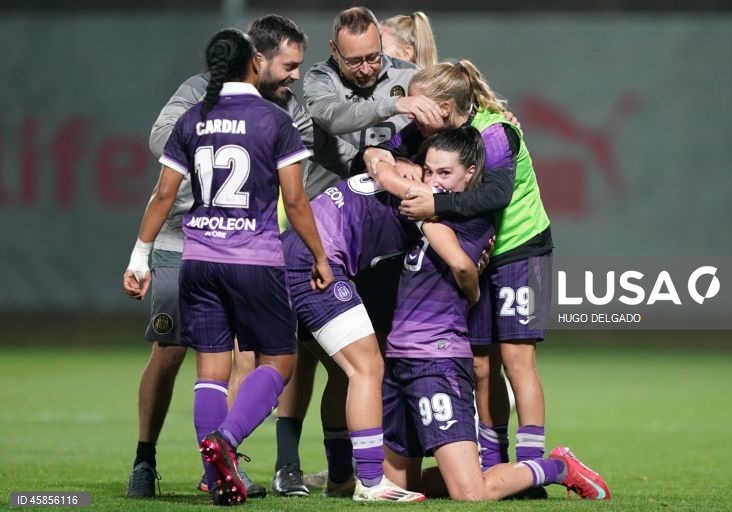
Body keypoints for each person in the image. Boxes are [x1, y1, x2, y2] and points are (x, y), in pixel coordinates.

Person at [123, 28, 332, 506]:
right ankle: (227, 441)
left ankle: (216, 478)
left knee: (210, 372)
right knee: (279, 361)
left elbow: (163, 194)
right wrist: (319, 256)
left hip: (198, 257)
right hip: (253, 259)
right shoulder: (274, 119)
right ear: (254, 63)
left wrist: (138, 256)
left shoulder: (193, 118)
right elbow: (295, 200)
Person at [369, 127, 609, 502]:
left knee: (471, 494)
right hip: (397, 359)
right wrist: (381, 156)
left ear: (470, 174)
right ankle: (489, 471)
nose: (432, 181)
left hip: (436, 359)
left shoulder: (469, 219)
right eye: (429, 171)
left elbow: (462, 266)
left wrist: (382, 163)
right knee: (401, 488)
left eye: (445, 173)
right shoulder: (432, 207)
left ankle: (555, 467)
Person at [270, 6, 446, 497]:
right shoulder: (319, 82)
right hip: (322, 236)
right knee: (305, 360)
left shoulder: (407, 76)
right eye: (355, 61)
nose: (367, 68)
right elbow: (333, 117)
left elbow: (450, 112)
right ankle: (289, 464)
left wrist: (494, 117)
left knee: (355, 366)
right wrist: (396, 109)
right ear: (334, 52)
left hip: (375, 246)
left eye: (374, 57)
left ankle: (345, 474)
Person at [362, 60, 554, 498]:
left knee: (516, 359)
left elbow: (495, 195)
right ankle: (495, 461)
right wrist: (377, 155)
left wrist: (434, 206)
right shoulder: (433, 132)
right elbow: (382, 150)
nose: (412, 116)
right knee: (481, 365)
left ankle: (534, 465)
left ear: (445, 108)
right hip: (473, 256)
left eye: (419, 107)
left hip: (519, 247)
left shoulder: (496, 134)